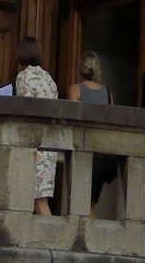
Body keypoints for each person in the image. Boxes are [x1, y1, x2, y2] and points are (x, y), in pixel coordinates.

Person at [67, 49, 118, 214]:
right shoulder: (107, 93)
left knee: (79, 202)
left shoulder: (75, 90)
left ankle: (84, 239)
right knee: (91, 204)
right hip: (101, 154)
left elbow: (71, 121)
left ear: (80, 68)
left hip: (82, 151)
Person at [14, 35, 59, 212]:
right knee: (41, 200)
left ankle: (49, 239)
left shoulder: (23, 76)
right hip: (49, 143)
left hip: (33, 144)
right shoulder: (48, 77)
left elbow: (23, 109)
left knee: (35, 202)